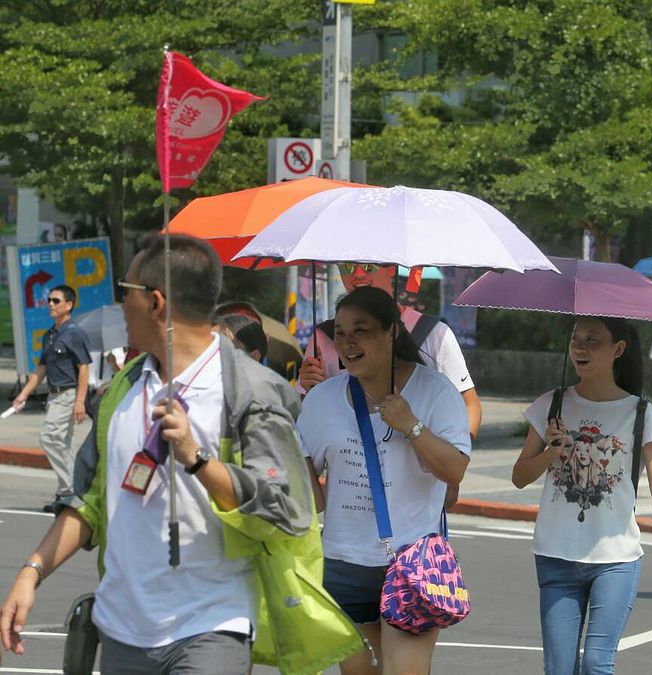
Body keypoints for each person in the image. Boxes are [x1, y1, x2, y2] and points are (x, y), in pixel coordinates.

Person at [0, 234, 361, 674]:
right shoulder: (120, 390)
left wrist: (198, 461)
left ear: (155, 302)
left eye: (126, 293)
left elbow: (283, 508)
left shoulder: (250, 391)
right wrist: (31, 572)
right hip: (121, 627)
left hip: (213, 626)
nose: (121, 306)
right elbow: (89, 500)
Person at [299, 286, 471, 675]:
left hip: (413, 562)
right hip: (344, 563)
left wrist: (411, 425)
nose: (348, 343)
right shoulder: (321, 399)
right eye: (340, 333)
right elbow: (313, 501)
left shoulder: (435, 391)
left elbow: (454, 471)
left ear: (391, 331)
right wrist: (293, 449)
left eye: (360, 331)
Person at [514, 316, 652, 674]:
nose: (580, 348)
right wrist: (551, 452)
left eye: (592, 340)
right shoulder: (551, 405)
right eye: (575, 339)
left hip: (616, 559)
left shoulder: (641, 413)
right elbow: (519, 476)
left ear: (618, 349)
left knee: (597, 663)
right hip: (555, 556)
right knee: (559, 669)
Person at [298, 263, 481, 508]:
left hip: (418, 495)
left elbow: (469, 405)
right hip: (349, 496)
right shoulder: (323, 338)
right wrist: (309, 391)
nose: (357, 274)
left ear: (392, 269)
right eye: (348, 266)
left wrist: (454, 458)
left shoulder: (433, 333)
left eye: (369, 266)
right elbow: (310, 426)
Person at [12, 284, 91, 512]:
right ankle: (72, 491)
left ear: (69, 305)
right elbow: (41, 370)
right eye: (49, 300)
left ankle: (69, 491)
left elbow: (84, 368)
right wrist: (23, 395)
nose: (50, 304)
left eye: (56, 301)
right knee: (64, 443)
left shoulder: (75, 333)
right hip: (54, 396)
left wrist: (80, 401)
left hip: (68, 394)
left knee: (49, 438)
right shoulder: (50, 335)